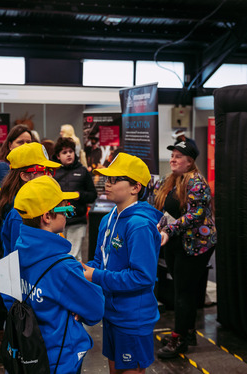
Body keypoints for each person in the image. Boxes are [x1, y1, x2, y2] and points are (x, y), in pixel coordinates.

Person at [13, 175, 104, 373]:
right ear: (47, 216)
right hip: (60, 358)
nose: (68, 213)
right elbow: (96, 309)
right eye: (66, 208)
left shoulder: (17, 253)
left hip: (29, 352)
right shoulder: (63, 267)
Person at [82, 153, 162, 374]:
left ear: (135, 187)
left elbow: (142, 277)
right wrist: (80, 272)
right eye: (107, 179)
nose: (107, 184)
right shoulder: (109, 219)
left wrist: (96, 276)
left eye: (115, 180)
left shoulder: (139, 225)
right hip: (111, 314)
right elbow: (100, 261)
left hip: (133, 319)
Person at [0, 142, 61, 362]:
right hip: (29, 297)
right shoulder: (21, 213)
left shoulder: (19, 205)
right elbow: (27, 260)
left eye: (51, 171)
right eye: (43, 171)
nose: (49, 176)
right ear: (25, 176)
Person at [154, 137, 217, 359]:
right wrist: (160, 227)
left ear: (189, 161)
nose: (173, 159)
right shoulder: (172, 180)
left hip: (195, 245)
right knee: (183, 289)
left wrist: (168, 231)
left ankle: (178, 339)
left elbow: (195, 215)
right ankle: (188, 332)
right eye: (172, 155)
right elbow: (167, 211)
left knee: (183, 292)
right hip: (177, 241)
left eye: (178, 156)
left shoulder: (197, 182)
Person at [53, 137, 97, 261]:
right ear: (58, 156)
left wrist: (80, 195)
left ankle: (73, 278)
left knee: (72, 255)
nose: (68, 155)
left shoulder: (83, 171)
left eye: (70, 151)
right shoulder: (53, 173)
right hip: (57, 220)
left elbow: (93, 195)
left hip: (77, 221)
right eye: (64, 152)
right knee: (63, 255)